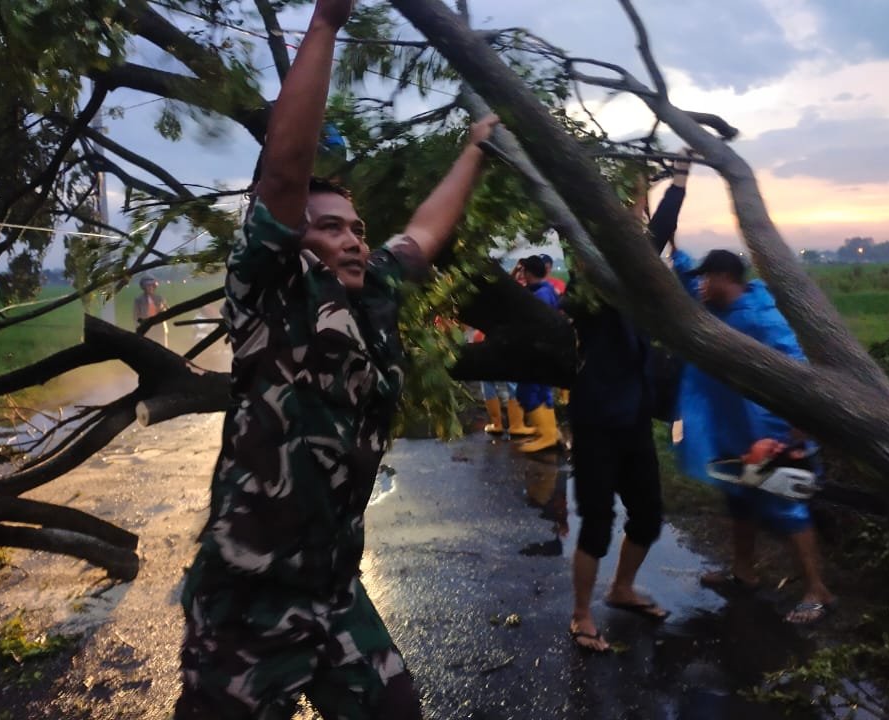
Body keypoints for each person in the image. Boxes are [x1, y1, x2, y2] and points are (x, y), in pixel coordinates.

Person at [175, 2, 502, 717]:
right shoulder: (267, 293)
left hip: (332, 589)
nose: (354, 239)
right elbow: (286, 174)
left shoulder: (371, 290)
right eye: (330, 228)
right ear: (292, 240)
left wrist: (479, 146)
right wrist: (325, 21)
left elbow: (422, 235)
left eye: (357, 229)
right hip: (248, 602)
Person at [671, 244, 837, 625]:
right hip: (734, 431)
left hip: (771, 433)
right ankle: (743, 571)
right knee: (739, 501)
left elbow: (797, 369)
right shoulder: (715, 310)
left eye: (707, 278)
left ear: (725, 278)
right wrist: (672, 239)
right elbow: (680, 278)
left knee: (788, 508)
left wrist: (801, 422)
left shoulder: (762, 318)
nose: (702, 286)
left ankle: (818, 590)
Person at [561, 161, 688, 651]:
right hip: (596, 420)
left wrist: (646, 190)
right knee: (596, 523)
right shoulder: (587, 287)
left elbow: (645, 239)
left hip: (632, 416)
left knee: (649, 514)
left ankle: (621, 588)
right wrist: (673, 187)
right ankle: (580, 613)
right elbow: (646, 240)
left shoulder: (629, 285)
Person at [512, 255, 561, 453]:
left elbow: (537, 327)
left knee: (527, 392)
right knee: (543, 393)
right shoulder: (546, 290)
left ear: (528, 273)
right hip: (547, 352)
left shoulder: (539, 296)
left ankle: (547, 435)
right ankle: (550, 433)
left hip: (537, 353)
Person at [133, 275, 169, 348]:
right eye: (147, 286)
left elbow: (167, 310)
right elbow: (136, 315)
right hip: (146, 327)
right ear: (143, 287)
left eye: (151, 285)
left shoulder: (160, 298)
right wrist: (140, 325)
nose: (150, 287)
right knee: (148, 348)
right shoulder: (138, 300)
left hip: (159, 327)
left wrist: (162, 311)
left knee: (162, 348)